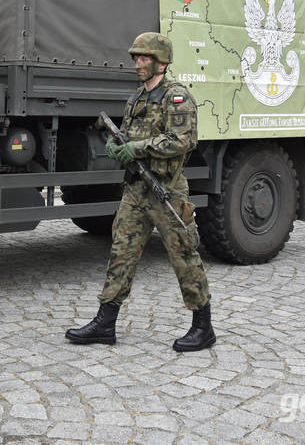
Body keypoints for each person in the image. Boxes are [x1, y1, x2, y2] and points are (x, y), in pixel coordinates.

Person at [65, 32, 214, 352]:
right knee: (122, 252)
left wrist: (138, 147)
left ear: (161, 62)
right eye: (136, 58)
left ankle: (203, 325)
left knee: (184, 255)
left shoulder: (177, 97)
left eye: (144, 58)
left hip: (167, 190)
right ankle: (105, 323)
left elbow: (182, 141)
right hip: (136, 191)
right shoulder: (136, 99)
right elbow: (127, 137)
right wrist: (118, 146)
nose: (138, 63)